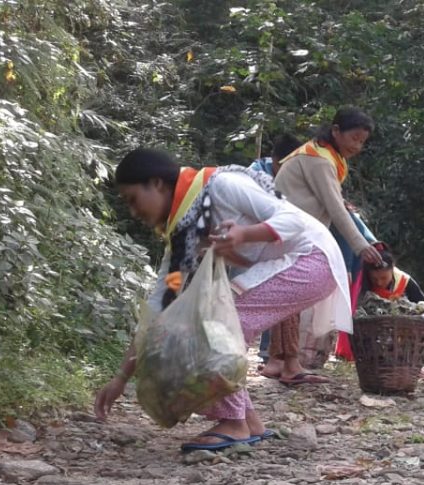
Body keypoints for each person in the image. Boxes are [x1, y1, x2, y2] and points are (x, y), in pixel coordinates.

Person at [94, 148, 352, 455]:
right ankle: (248, 421)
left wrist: (245, 234)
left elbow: (292, 220)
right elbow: (159, 305)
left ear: (157, 184)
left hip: (312, 258)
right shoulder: (183, 238)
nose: (134, 212)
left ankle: (232, 422)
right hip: (300, 264)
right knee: (214, 320)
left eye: (132, 200)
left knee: (218, 323)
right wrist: (122, 377)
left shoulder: (222, 185)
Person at [273, 107, 383, 375]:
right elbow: (335, 209)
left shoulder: (321, 154)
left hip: (289, 232)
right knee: (294, 295)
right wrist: (361, 246)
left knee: (289, 296)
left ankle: (282, 362)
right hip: (293, 234)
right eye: (354, 138)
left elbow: (332, 201)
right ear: (335, 131)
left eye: (362, 141)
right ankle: (285, 362)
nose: (357, 146)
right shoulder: (320, 160)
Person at [249, 132, 302, 366]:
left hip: (281, 242)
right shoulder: (255, 174)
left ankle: (269, 352)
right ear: (274, 159)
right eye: (284, 165)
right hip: (251, 241)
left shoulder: (300, 174)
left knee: (277, 293)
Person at [360, 242, 424, 303]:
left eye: (384, 278)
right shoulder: (362, 282)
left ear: (392, 269)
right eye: (374, 279)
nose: (379, 283)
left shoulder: (405, 281)